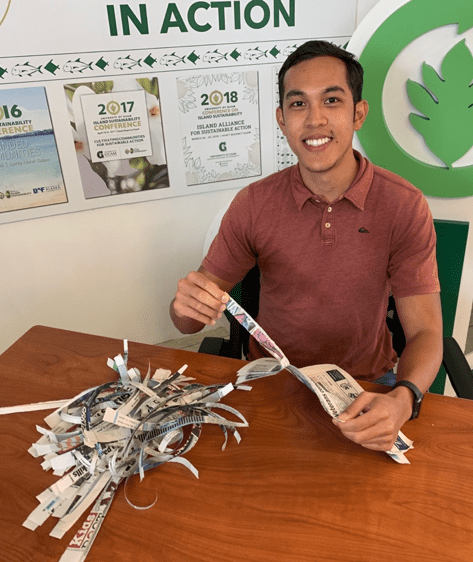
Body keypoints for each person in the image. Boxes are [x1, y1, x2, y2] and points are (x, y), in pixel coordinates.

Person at [170, 40, 442, 453]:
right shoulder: (254, 204)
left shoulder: (403, 205)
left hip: (368, 384)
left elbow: (425, 330)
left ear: (358, 113)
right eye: (298, 105)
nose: (315, 120)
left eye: (331, 100)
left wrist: (404, 399)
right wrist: (184, 307)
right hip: (272, 380)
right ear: (282, 119)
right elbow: (187, 322)